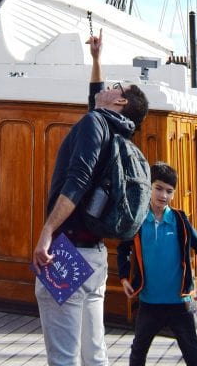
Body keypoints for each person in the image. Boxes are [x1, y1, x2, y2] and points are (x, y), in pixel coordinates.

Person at [32, 30, 149, 366]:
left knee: (64, 356)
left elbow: (78, 181)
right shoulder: (115, 129)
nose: (107, 87)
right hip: (95, 256)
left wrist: (47, 232)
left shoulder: (95, 123)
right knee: (94, 352)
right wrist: (96, 60)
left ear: (120, 101)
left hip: (65, 252)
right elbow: (96, 99)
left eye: (115, 86)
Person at [117, 161, 197, 366]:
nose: (163, 195)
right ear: (149, 187)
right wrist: (124, 277)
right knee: (138, 354)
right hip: (149, 303)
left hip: (179, 304)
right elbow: (123, 248)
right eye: (158, 188)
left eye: (169, 191)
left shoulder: (180, 220)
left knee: (192, 355)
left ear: (174, 194)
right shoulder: (138, 218)